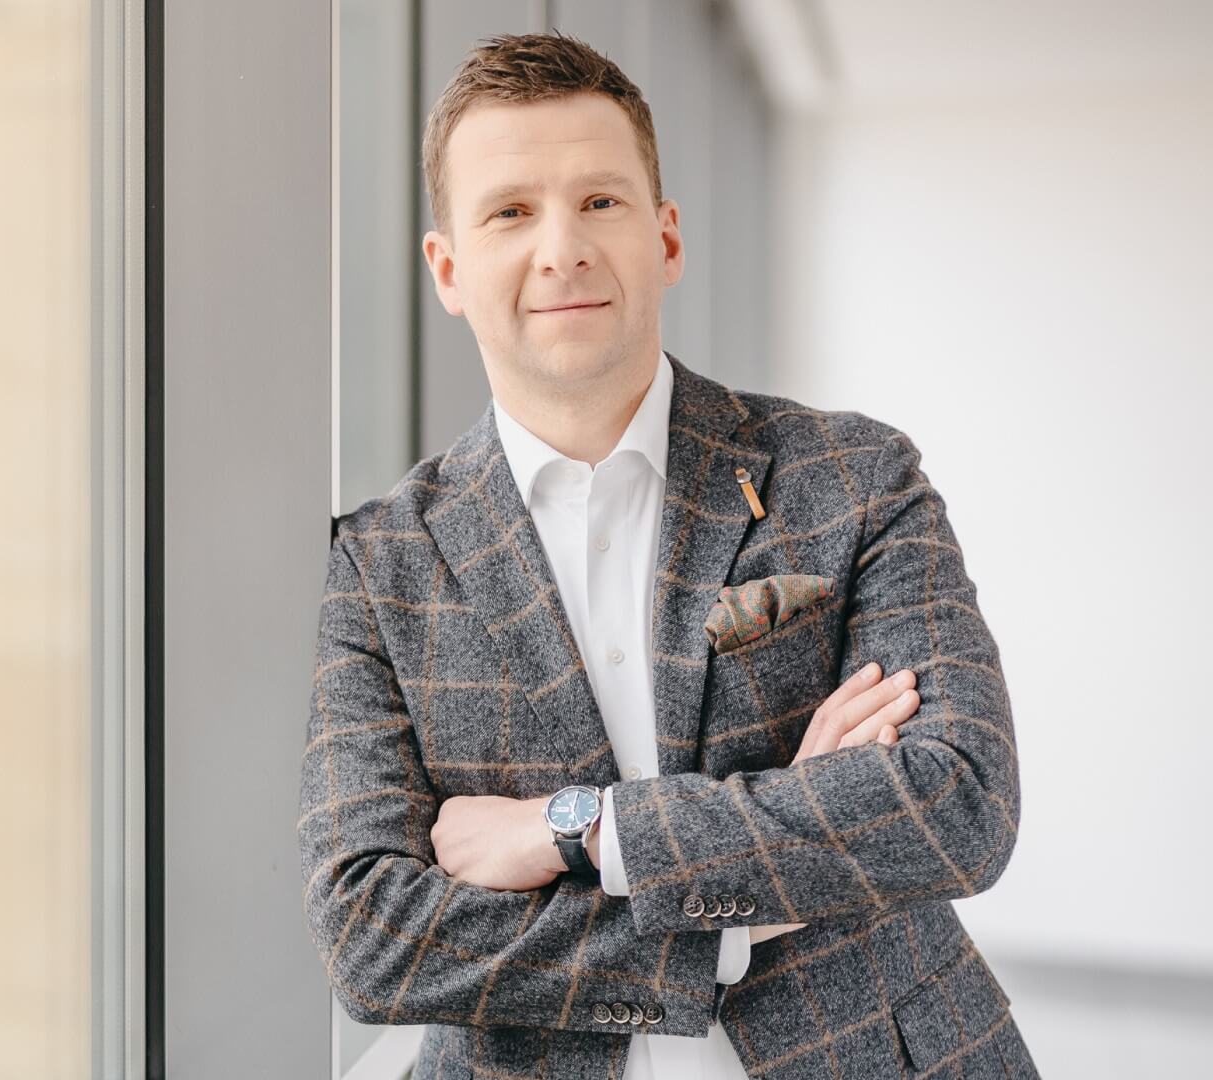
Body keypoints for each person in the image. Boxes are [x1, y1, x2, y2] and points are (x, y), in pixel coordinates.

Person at [297, 31, 1035, 1079]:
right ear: (448, 269)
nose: (562, 249)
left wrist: (577, 831)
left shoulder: (853, 474)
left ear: (667, 238)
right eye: (511, 211)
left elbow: (960, 804)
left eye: (600, 201)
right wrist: (740, 913)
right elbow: (371, 934)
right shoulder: (379, 564)